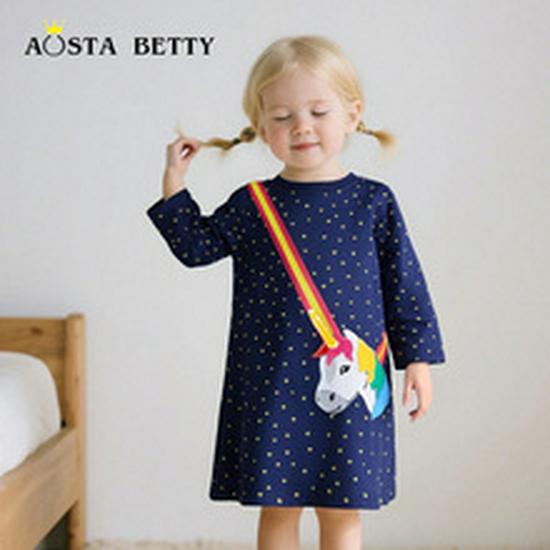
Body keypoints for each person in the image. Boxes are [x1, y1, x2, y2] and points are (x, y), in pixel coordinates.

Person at [146, 34, 446, 550]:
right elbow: (196, 248)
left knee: (342, 510)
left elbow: (405, 286)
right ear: (263, 128)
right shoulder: (253, 204)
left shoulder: (373, 202)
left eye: (318, 111)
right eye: (282, 117)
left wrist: (417, 359)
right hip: (273, 382)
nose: (301, 126)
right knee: (278, 507)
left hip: (351, 384)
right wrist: (174, 182)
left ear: (352, 115)